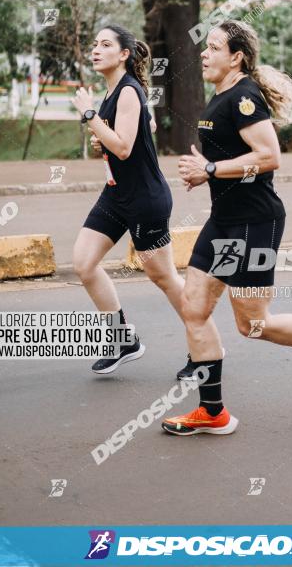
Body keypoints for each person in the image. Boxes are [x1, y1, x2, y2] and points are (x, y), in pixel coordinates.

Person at [161, 20, 292, 436]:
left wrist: (210, 168)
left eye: (215, 47)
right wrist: (206, 171)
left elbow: (270, 156)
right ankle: (212, 411)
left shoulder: (243, 98)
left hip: (253, 223)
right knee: (194, 307)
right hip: (224, 222)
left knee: (254, 324)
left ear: (236, 57)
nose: (204, 53)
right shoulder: (221, 96)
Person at [72, 24, 218, 375]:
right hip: (116, 196)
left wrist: (91, 117)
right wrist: (102, 133)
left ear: (123, 54)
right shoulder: (116, 92)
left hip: (144, 201)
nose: (96, 49)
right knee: (84, 263)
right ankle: (123, 340)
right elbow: (145, 130)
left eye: (105, 45)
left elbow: (123, 148)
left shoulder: (127, 91)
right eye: (94, 44)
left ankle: (206, 352)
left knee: (164, 277)